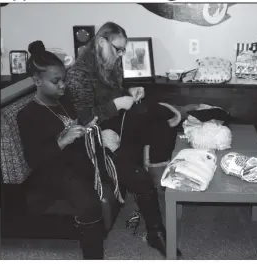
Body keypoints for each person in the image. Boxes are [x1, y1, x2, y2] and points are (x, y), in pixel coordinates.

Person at [65, 21, 181, 257]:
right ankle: (156, 229)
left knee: (155, 120)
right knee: (154, 118)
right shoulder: (78, 74)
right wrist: (117, 104)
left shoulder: (111, 65)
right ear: (100, 42)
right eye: (117, 49)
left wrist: (129, 93)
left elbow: (115, 95)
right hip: (96, 135)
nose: (120, 55)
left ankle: (156, 230)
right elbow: (85, 117)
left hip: (118, 126)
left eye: (122, 50)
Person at [17, 40, 103, 259]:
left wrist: (88, 127)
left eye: (64, 79)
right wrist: (62, 141)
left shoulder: (62, 100)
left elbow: (75, 123)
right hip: (51, 172)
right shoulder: (29, 115)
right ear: (37, 80)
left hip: (74, 159)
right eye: (56, 81)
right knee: (89, 205)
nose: (63, 85)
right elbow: (34, 160)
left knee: (120, 162)